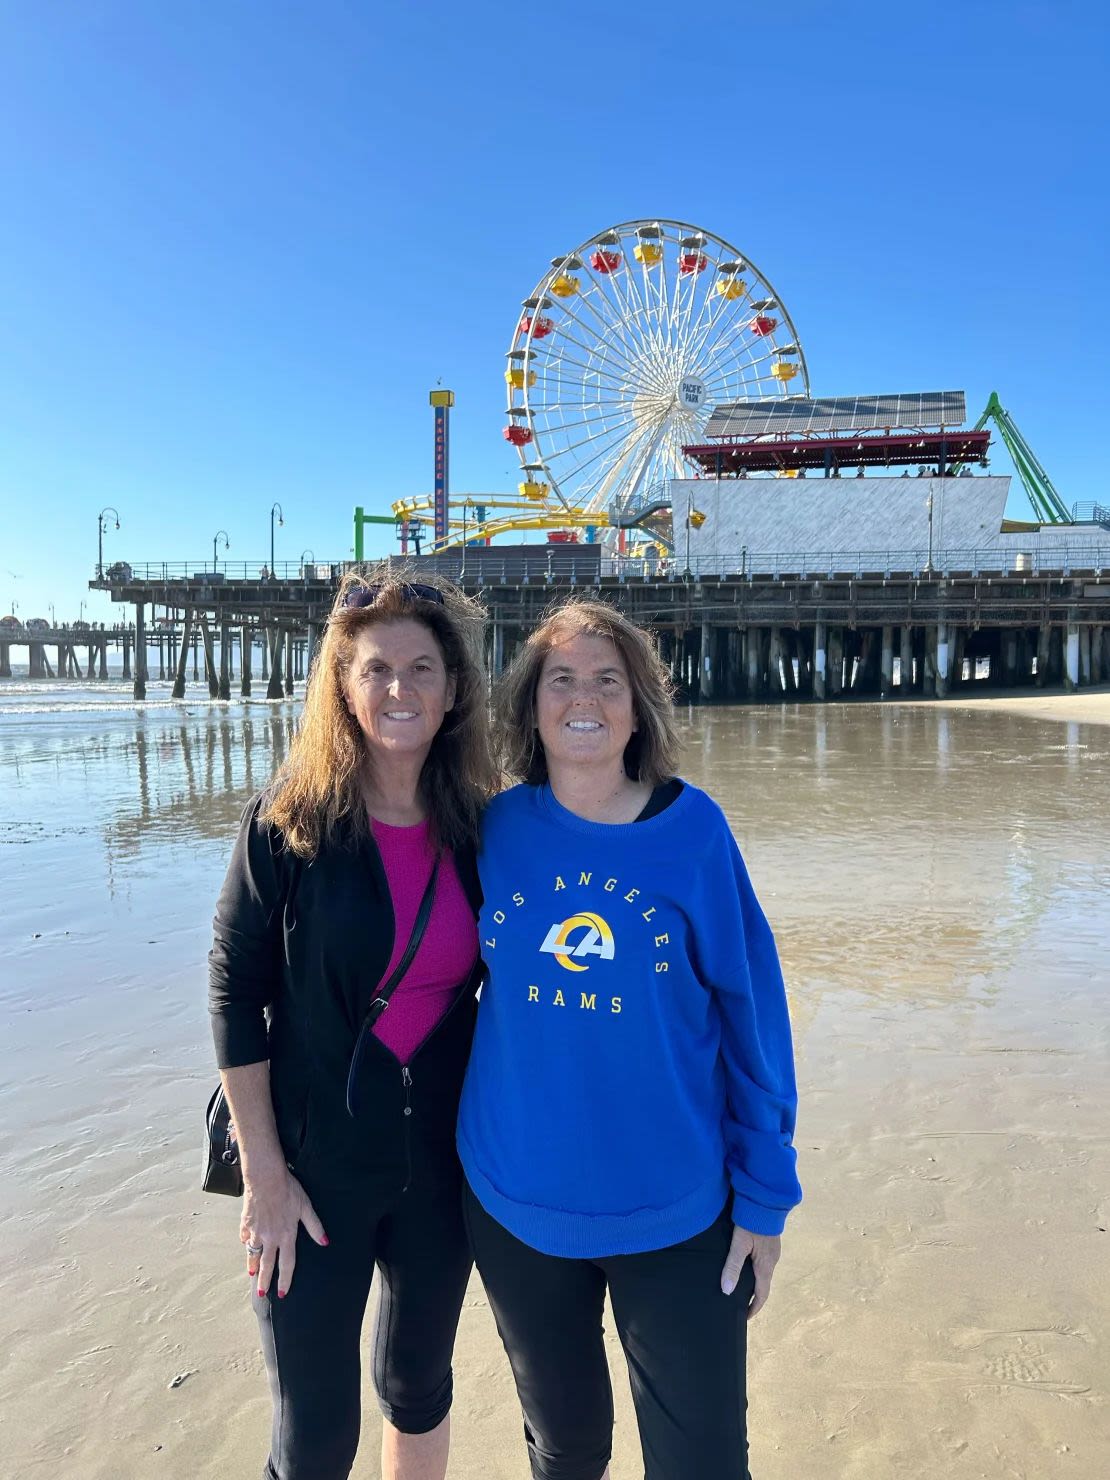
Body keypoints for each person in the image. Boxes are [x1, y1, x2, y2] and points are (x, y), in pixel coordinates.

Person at [458, 598, 802, 1480]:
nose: (585, 698)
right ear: (530, 706)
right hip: (516, 1205)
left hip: (679, 1208)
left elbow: (753, 1014)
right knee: (565, 1452)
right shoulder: (495, 829)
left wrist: (765, 1197)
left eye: (608, 680)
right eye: (561, 680)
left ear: (639, 704)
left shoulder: (695, 833)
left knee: (703, 1463)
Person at [208, 571, 495, 1480]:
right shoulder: (287, 823)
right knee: (317, 1432)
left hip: (437, 1171)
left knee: (419, 1387)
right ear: (341, 682)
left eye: (421, 667)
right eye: (376, 669)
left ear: (454, 690)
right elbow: (231, 991)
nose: (399, 689)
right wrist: (264, 1177)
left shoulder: (483, 828)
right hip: (309, 1171)